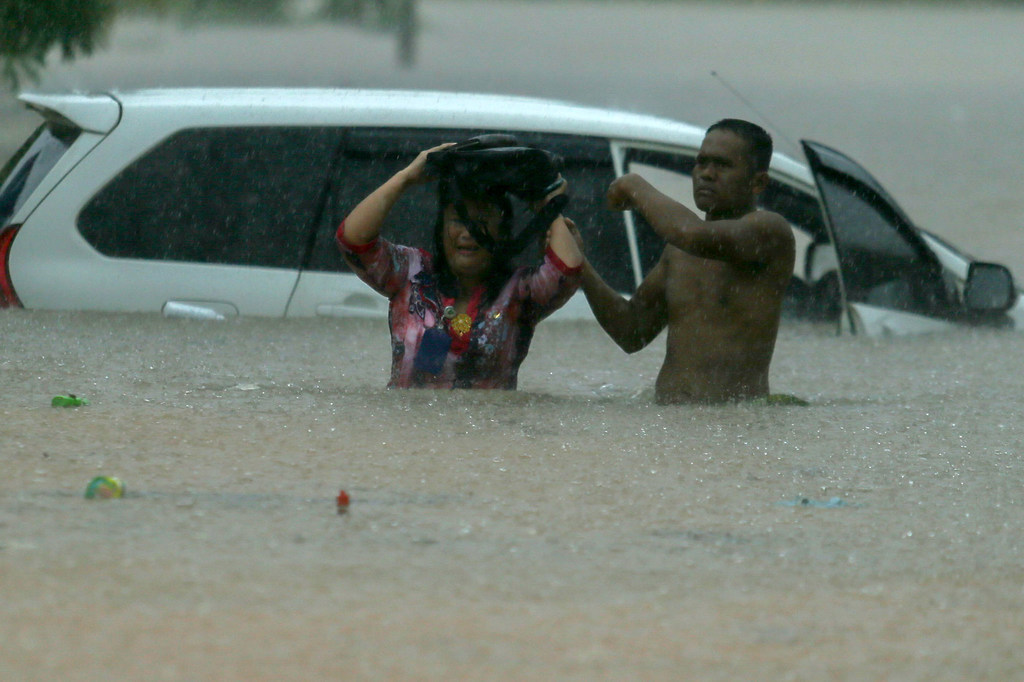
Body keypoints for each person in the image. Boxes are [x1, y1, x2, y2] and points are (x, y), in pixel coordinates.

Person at [573, 119, 795, 404]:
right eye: (701, 163)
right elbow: (631, 331)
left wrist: (634, 184)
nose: (706, 174)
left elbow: (691, 233)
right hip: (670, 426)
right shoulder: (678, 251)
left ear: (758, 183)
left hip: (734, 432)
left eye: (722, 165)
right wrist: (579, 265)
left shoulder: (770, 232)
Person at [337, 142, 583, 389]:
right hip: (405, 426)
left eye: (482, 222)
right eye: (458, 221)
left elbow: (567, 271)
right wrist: (406, 178)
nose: (468, 233)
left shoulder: (519, 291)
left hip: (491, 427)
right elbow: (353, 240)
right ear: (441, 230)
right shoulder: (411, 273)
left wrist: (547, 204)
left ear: (504, 234)